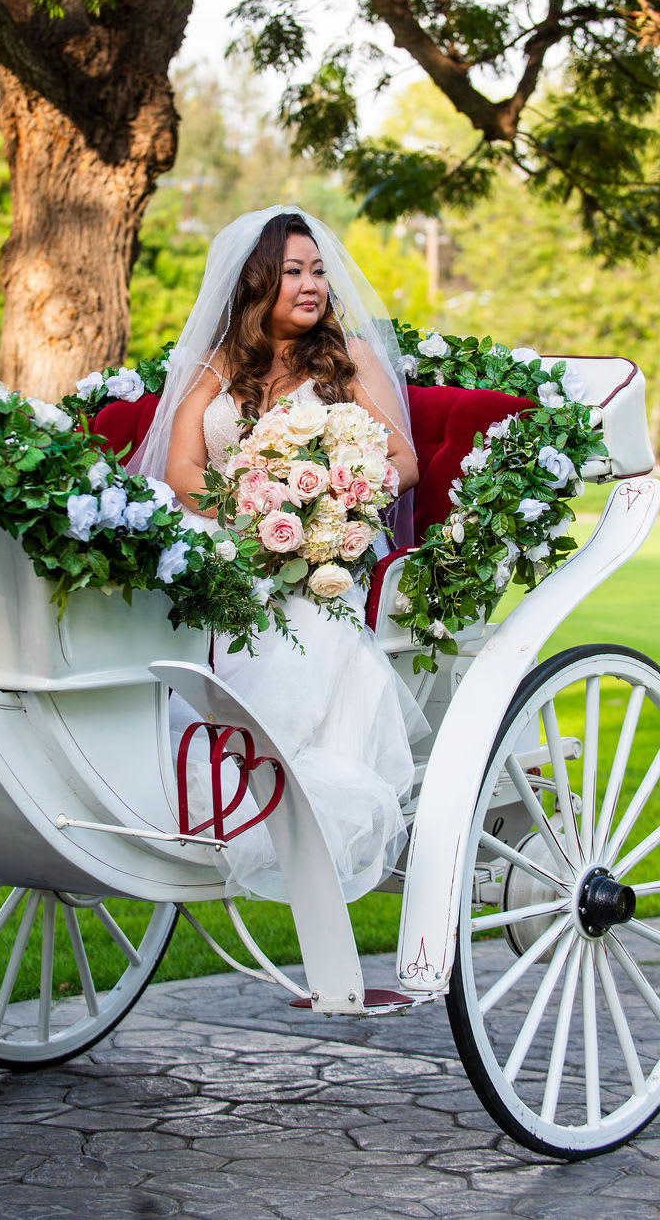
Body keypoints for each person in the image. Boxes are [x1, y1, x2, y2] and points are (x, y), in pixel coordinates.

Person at [130, 207, 427, 902]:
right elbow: (180, 469)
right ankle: (158, 766)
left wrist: (334, 495)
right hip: (224, 535)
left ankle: (270, 790)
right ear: (257, 282)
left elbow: (404, 462)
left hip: (317, 553)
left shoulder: (346, 360)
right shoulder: (216, 365)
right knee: (181, 590)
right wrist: (245, 510)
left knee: (311, 623)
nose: (311, 284)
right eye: (293, 271)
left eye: (318, 271)